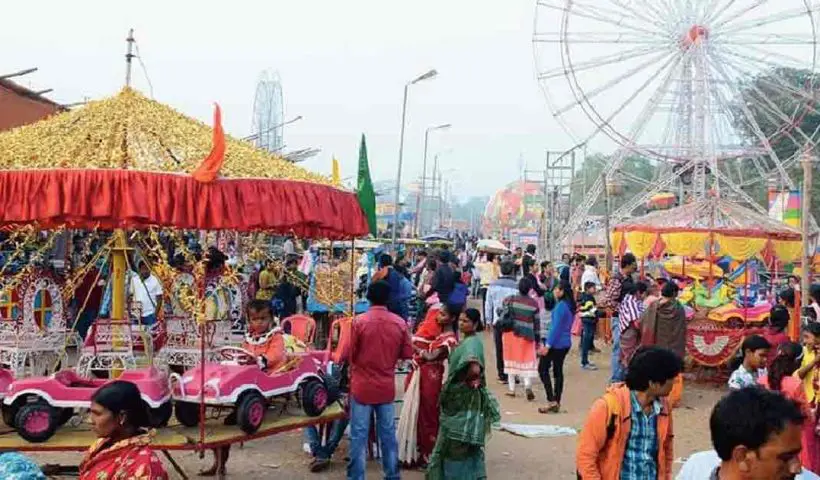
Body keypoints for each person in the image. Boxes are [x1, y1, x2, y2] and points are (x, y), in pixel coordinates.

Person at [342, 280, 413, 480]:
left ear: (368, 297)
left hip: (362, 386)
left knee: (359, 435)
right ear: (388, 299)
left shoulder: (358, 322)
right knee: (388, 435)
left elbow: (348, 353)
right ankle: (392, 474)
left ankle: (357, 476)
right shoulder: (399, 323)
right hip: (385, 386)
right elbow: (407, 353)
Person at [576, 346, 682, 480]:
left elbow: (666, 450)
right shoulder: (608, 407)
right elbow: (586, 456)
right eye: (672, 378)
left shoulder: (663, 408)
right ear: (653, 384)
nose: (675, 382)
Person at [426, 308, 501, 480]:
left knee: (456, 446)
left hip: (464, 401)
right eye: (460, 320)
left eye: (466, 321)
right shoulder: (468, 341)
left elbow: (474, 367)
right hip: (462, 400)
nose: (461, 324)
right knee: (462, 445)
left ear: (475, 324)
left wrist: (463, 383)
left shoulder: (472, 344)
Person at [677, 387, 809, 480]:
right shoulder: (695, 468)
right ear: (742, 456)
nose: (797, 468)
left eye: (796, 455)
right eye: (785, 458)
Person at [398, 303, 459, 467]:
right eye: (439, 313)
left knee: (429, 416)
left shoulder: (449, 339)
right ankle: (418, 452)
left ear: (452, 318)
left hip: (433, 378)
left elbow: (432, 356)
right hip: (427, 377)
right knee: (420, 414)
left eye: (443, 315)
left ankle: (429, 454)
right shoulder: (442, 336)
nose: (439, 317)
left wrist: (414, 347)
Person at [79, 381, 168, 480]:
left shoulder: (143, 466)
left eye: (97, 414)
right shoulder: (101, 445)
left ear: (122, 417)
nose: (90, 420)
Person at [759, 341, 820, 474]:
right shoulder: (795, 384)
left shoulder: (762, 380)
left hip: (768, 432)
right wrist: (813, 416)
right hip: (794, 433)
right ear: (797, 362)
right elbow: (806, 414)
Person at [640, 281, 687, 407]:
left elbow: (643, 322)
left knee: (655, 369)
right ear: (674, 293)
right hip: (672, 345)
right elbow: (681, 328)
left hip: (655, 344)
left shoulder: (653, 306)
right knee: (670, 372)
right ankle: (670, 398)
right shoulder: (678, 308)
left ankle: (653, 392)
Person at [538, 280, 575, 413]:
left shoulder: (561, 306)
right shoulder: (569, 305)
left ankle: (551, 399)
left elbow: (555, 328)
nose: (554, 292)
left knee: (543, 369)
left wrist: (548, 345)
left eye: (556, 289)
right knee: (557, 372)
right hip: (565, 343)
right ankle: (556, 400)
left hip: (556, 343)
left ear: (561, 291)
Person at [501, 277, 541, 400]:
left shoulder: (508, 300)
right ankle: (527, 386)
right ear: (530, 289)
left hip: (510, 334)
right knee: (526, 361)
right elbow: (537, 323)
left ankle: (512, 389)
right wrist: (537, 340)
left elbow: (502, 313)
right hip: (527, 335)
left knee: (510, 361)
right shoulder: (534, 304)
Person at [602, 253, 638, 383]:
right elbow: (609, 300)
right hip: (619, 319)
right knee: (619, 347)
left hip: (628, 319)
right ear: (628, 264)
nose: (636, 267)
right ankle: (616, 379)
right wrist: (623, 308)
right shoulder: (616, 280)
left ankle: (624, 376)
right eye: (634, 264)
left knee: (628, 348)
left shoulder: (629, 278)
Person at [484, 260, 518, 383]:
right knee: (513, 347)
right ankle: (513, 373)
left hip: (497, 321)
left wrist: (488, 320)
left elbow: (488, 304)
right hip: (513, 322)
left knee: (499, 347)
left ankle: (502, 374)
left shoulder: (492, 285)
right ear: (512, 271)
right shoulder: (517, 285)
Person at [618, 281, 648, 371]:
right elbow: (636, 322)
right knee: (630, 358)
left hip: (630, 332)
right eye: (644, 294)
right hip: (629, 332)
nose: (644, 296)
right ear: (638, 292)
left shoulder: (631, 299)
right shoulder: (631, 302)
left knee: (627, 357)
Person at [129, 261, 163, 326]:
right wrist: (130, 312)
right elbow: (130, 296)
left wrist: (155, 314)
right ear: (139, 270)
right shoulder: (134, 280)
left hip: (150, 314)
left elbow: (159, 299)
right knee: (136, 334)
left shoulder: (155, 280)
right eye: (143, 269)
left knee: (151, 335)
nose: (145, 271)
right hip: (136, 314)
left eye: (147, 269)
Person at [579, 281, 600, 371]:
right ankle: (584, 362)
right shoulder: (589, 299)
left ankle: (585, 361)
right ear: (588, 289)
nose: (594, 290)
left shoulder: (585, 297)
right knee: (586, 341)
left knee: (587, 340)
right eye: (593, 288)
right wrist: (600, 312)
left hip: (587, 320)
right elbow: (592, 310)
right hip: (588, 320)